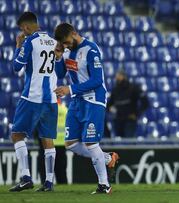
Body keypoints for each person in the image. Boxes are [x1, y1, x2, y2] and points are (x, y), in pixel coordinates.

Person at [53, 23, 119, 194]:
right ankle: (107, 158)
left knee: (91, 142)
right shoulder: (66, 50)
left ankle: (104, 185)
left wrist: (70, 89)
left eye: (67, 42)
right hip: (77, 101)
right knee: (71, 144)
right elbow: (60, 74)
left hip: (94, 100)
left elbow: (97, 80)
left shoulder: (90, 49)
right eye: (63, 44)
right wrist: (59, 57)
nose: (66, 46)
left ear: (74, 33)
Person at [9, 11, 58, 192]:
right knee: (48, 139)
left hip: (32, 96)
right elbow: (60, 72)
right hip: (51, 98)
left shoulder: (29, 41)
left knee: (16, 135)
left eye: (22, 29)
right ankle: (49, 182)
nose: (23, 31)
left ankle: (26, 177)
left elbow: (16, 67)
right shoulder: (54, 42)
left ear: (27, 27)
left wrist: (18, 45)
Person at [107, 69, 149, 137]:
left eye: (119, 76)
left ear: (124, 76)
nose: (117, 78)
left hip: (130, 120)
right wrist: (109, 109)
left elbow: (145, 102)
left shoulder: (133, 88)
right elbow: (110, 104)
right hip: (118, 120)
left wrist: (137, 114)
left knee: (129, 141)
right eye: (117, 76)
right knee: (119, 143)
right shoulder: (115, 90)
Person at [37, 99, 68, 184]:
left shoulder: (44, 110)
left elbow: (38, 126)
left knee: (45, 169)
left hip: (47, 144)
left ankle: (45, 184)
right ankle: (63, 187)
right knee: (61, 171)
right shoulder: (64, 110)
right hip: (61, 144)